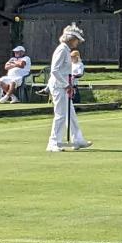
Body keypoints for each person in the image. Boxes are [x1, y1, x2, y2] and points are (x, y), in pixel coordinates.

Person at [46, 23, 92, 152]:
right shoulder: (62, 50)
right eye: (77, 40)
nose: (77, 43)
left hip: (64, 85)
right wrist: (66, 85)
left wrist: (68, 84)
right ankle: (53, 142)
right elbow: (54, 70)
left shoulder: (66, 50)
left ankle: (77, 139)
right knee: (60, 115)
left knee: (70, 114)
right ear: (71, 39)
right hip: (58, 86)